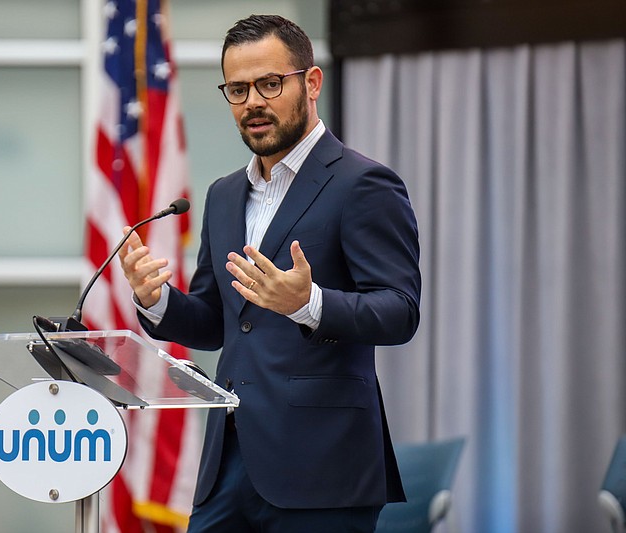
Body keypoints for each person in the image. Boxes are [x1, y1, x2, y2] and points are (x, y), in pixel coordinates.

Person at [118, 14, 421, 533]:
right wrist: (158, 301)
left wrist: (310, 304)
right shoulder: (223, 194)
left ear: (311, 83)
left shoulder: (364, 184)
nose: (253, 101)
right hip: (228, 463)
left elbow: (399, 311)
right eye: (237, 89)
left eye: (269, 83)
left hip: (323, 469)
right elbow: (218, 320)